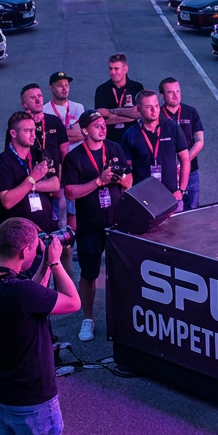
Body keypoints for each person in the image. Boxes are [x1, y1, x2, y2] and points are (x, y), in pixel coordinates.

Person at [0, 219, 81, 435]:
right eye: (34, 248)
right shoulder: (23, 293)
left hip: (0, 395)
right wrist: (54, 262)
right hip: (33, 403)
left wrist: (43, 264)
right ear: (24, 252)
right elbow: (73, 302)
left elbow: (30, 294)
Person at [61, 110, 132, 342]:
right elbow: (70, 192)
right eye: (97, 125)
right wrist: (99, 181)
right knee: (89, 272)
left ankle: (122, 316)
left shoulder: (114, 148)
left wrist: (120, 180)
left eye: (103, 124)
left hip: (116, 221)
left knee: (121, 271)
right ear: (84, 130)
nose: (103, 128)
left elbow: (129, 180)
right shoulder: (74, 157)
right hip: (90, 224)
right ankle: (88, 319)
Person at [0, 111, 64, 243]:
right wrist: (32, 178)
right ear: (13, 133)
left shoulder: (39, 154)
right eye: (27, 131)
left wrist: (30, 185)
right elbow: (7, 201)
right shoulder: (2, 162)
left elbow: (55, 184)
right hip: (18, 236)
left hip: (45, 230)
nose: (33, 135)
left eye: (33, 130)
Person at [122, 90, 190, 202]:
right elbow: (127, 169)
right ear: (138, 109)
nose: (154, 110)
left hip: (171, 195)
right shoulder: (130, 135)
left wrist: (181, 189)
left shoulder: (172, 127)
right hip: (144, 198)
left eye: (156, 106)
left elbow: (185, 158)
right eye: (149, 107)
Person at [158, 78, 204, 208]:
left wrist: (184, 161)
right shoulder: (158, 115)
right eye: (170, 92)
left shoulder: (191, 112)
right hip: (167, 174)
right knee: (170, 210)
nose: (175, 95)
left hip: (191, 171)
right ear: (162, 96)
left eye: (177, 91)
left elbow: (200, 141)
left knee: (193, 209)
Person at [93, 53, 142, 144]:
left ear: (125, 69)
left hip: (133, 139)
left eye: (116, 69)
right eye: (110, 68)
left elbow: (138, 114)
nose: (112, 72)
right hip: (109, 140)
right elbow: (101, 117)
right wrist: (129, 115)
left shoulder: (137, 87)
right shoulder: (101, 90)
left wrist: (111, 111)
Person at [42, 72, 84, 151]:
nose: (64, 88)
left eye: (66, 85)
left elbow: (80, 135)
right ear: (51, 88)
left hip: (76, 154)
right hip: (55, 155)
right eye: (60, 86)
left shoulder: (78, 108)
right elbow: (46, 139)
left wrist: (56, 136)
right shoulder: (44, 111)